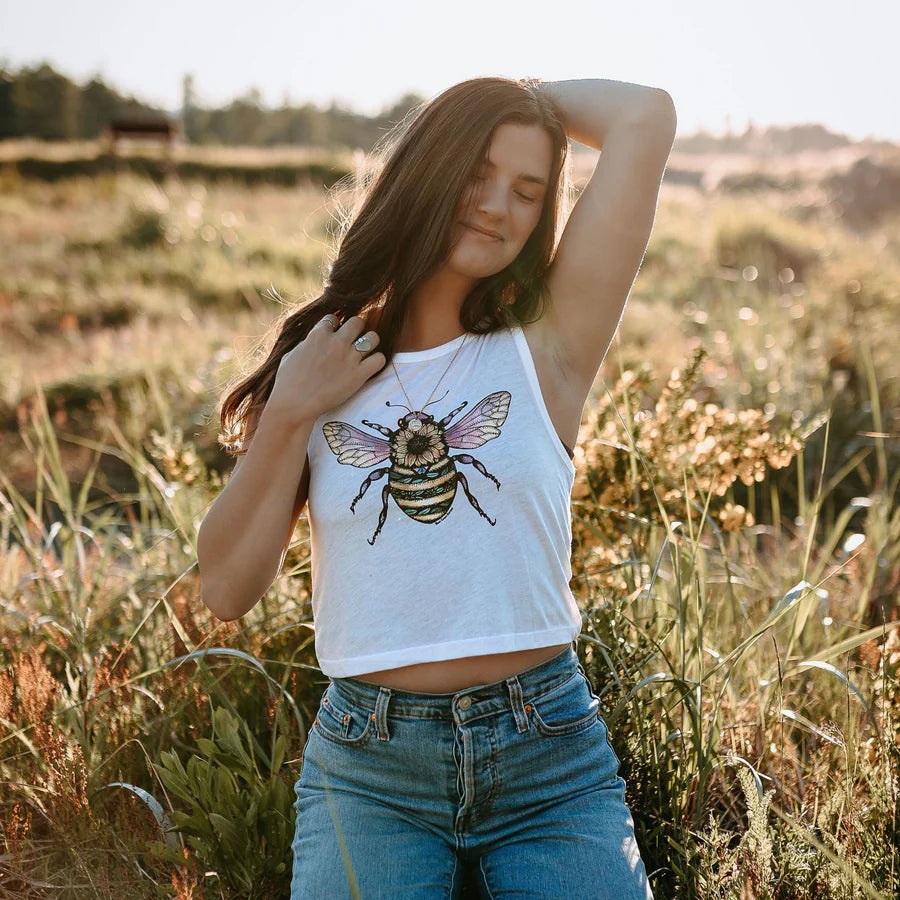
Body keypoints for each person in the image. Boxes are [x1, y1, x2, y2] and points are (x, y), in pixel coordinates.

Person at [198, 75, 675, 899]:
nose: (498, 205)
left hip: (548, 758)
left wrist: (518, 98)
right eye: (476, 172)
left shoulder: (545, 350)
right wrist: (289, 413)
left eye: (528, 191)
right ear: (431, 167)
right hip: (369, 773)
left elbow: (645, 116)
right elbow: (227, 586)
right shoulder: (324, 365)